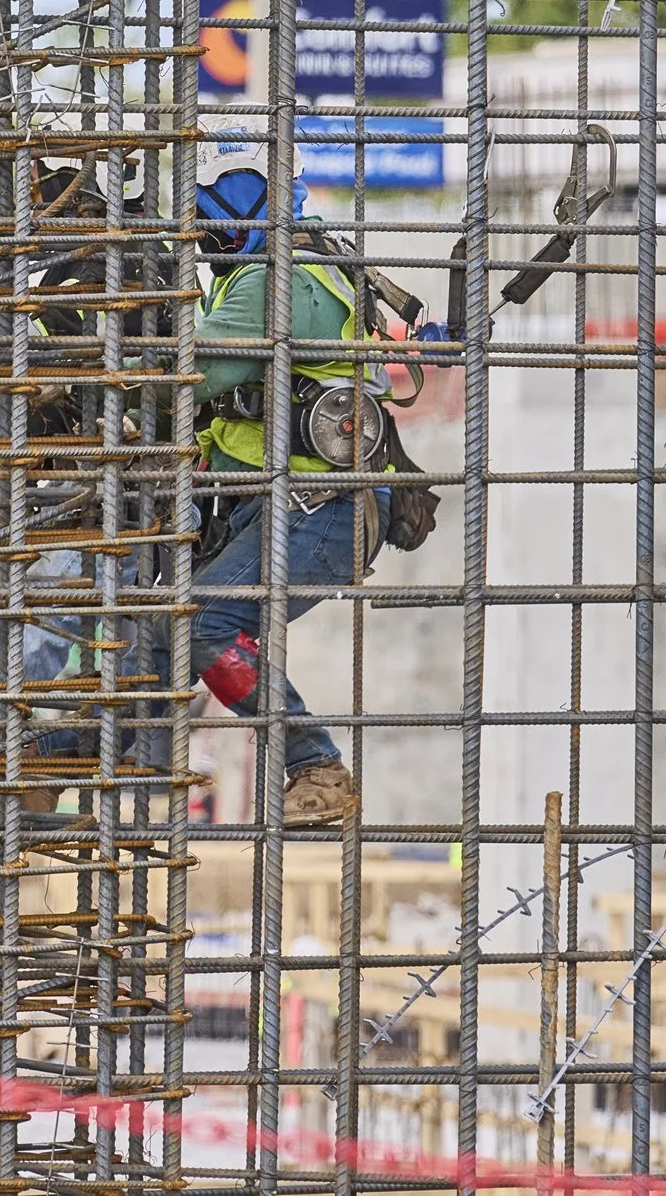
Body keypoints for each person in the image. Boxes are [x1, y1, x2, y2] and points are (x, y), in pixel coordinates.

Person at [186, 154, 393, 829]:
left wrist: (95, 354)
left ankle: (316, 765)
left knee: (205, 624)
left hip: (322, 507)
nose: (198, 222)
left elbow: (195, 375)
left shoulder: (277, 276)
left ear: (255, 198)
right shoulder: (270, 269)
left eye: (212, 202)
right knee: (160, 640)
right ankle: (58, 756)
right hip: (282, 502)